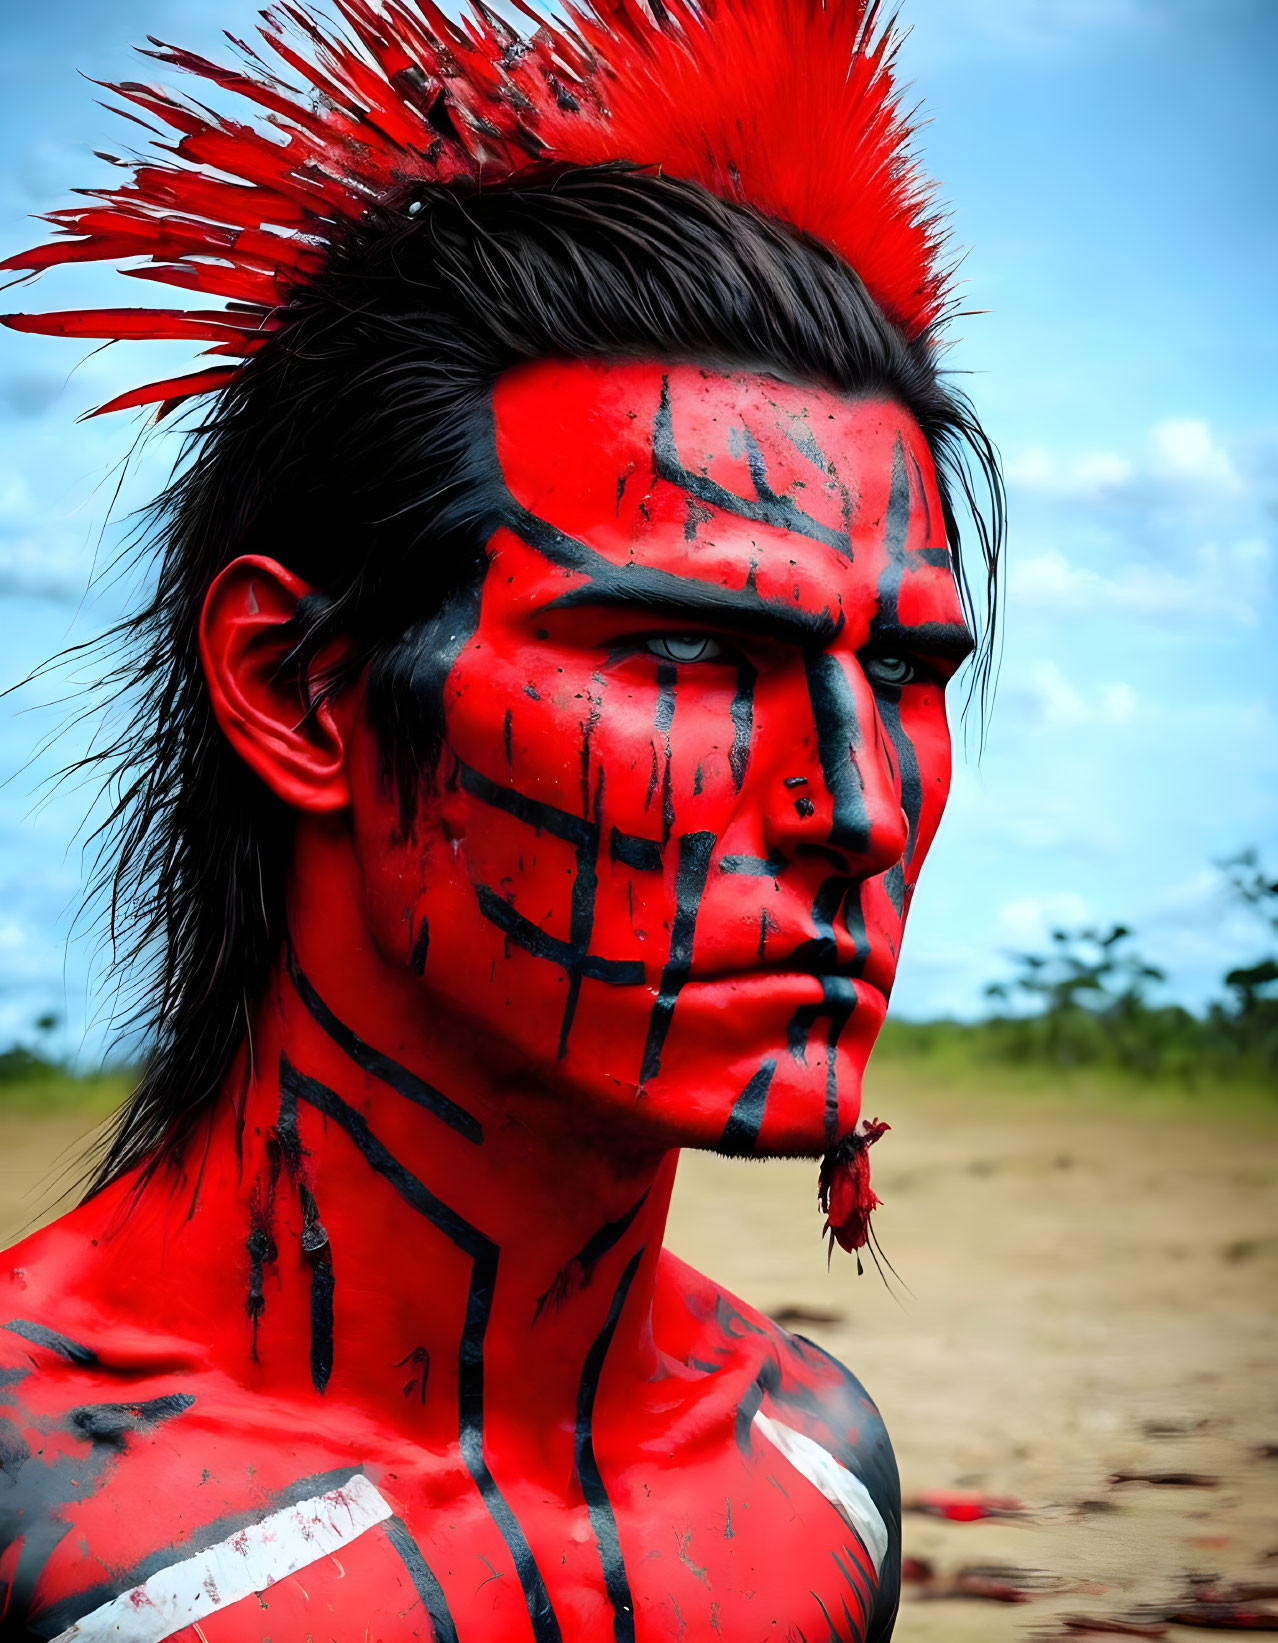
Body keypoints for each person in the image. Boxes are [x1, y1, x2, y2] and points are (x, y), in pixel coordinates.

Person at [0, 1, 1002, 1636]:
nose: (861, 808)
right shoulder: (41, 1514)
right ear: (298, 689)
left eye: (900, 669)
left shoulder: (809, 1477)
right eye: (684, 652)